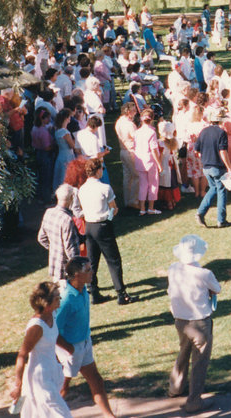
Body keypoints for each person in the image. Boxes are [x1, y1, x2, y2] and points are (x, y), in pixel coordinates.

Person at [54, 258, 115, 418]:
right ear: (76, 275)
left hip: (85, 343)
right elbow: (53, 330)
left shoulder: (83, 291)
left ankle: (110, 416)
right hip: (70, 349)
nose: (92, 272)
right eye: (87, 270)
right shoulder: (66, 299)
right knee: (62, 388)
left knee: (96, 381)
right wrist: (68, 349)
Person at [167, 234, 221, 414]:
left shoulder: (173, 268)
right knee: (199, 361)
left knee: (183, 351)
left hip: (180, 321)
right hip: (200, 323)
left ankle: (175, 387)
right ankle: (194, 401)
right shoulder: (204, 273)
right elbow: (217, 289)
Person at [10, 282, 73, 417]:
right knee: (62, 415)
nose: (60, 299)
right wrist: (18, 385)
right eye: (57, 298)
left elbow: (53, 336)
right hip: (39, 378)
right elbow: (22, 355)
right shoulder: (36, 327)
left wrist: (68, 347)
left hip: (53, 371)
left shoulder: (51, 315)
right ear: (47, 304)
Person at [78, 158, 133, 305]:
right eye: (101, 168)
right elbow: (114, 208)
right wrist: (108, 219)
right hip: (102, 225)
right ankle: (121, 294)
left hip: (89, 226)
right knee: (113, 260)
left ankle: (93, 292)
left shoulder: (82, 189)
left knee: (92, 260)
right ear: (97, 170)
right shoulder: (104, 188)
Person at [194, 107, 231, 228]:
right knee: (221, 191)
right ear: (221, 120)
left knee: (213, 188)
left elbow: (197, 150)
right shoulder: (221, 132)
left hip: (206, 166)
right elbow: (223, 151)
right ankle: (221, 220)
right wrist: (230, 168)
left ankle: (200, 213)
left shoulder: (204, 131)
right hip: (217, 166)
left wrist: (205, 159)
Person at [37, 184, 81, 280]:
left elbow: (41, 238)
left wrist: (55, 249)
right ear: (71, 198)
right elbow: (71, 248)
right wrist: (78, 268)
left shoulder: (49, 212)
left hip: (55, 264)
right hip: (67, 269)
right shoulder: (67, 219)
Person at [133, 108, 162, 216]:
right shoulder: (151, 132)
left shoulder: (137, 132)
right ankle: (150, 208)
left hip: (140, 160)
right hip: (150, 161)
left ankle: (142, 209)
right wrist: (159, 164)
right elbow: (154, 149)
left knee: (143, 184)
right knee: (153, 184)